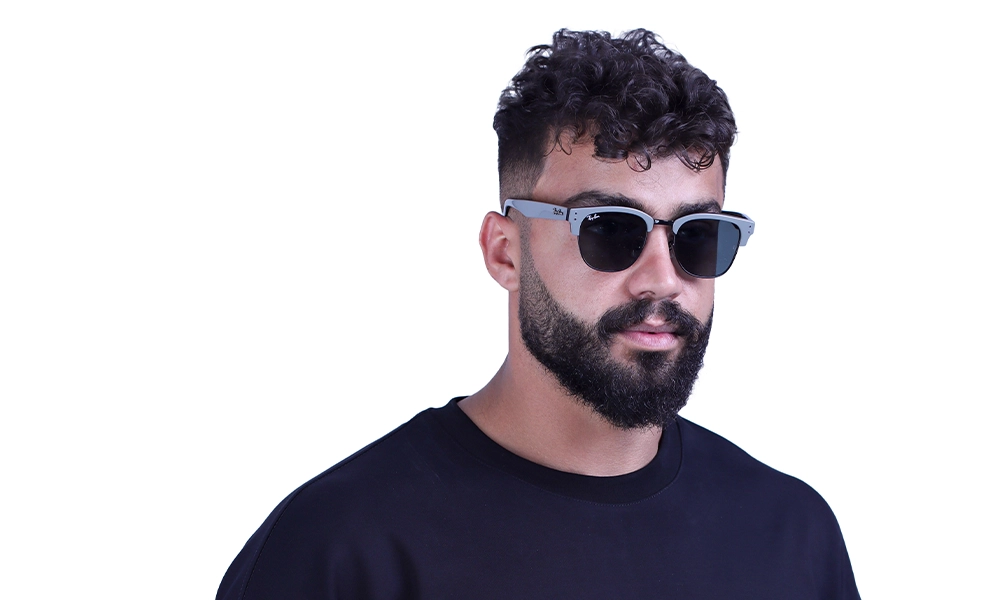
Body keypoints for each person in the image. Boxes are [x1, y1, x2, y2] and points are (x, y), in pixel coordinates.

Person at [216, 29, 860, 599]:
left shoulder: (792, 535)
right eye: (609, 229)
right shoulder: (339, 551)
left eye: (700, 236)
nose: (664, 279)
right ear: (505, 252)